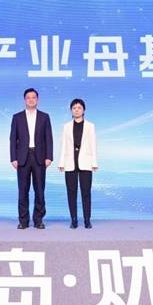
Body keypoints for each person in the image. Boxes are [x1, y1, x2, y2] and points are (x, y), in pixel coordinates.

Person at [9, 88, 53, 229]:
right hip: (23, 157)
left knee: (39, 190)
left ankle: (38, 220)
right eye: (28, 97)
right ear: (24, 100)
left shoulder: (44, 117)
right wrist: (13, 158)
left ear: (37, 99)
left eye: (34, 97)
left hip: (40, 157)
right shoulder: (17, 117)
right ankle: (23, 221)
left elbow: (49, 138)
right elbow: (12, 139)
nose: (31, 100)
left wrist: (49, 156)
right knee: (23, 191)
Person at [58, 98, 98, 229]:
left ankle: (87, 220)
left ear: (84, 110)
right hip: (70, 162)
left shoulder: (90, 126)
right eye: (74, 108)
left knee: (86, 192)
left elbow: (93, 145)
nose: (76, 110)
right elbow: (63, 145)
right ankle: (74, 220)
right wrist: (61, 162)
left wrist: (94, 162)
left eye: (79, 107)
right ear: (71, 110)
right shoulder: (66, 126)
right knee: (71, 192)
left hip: (86, 162)